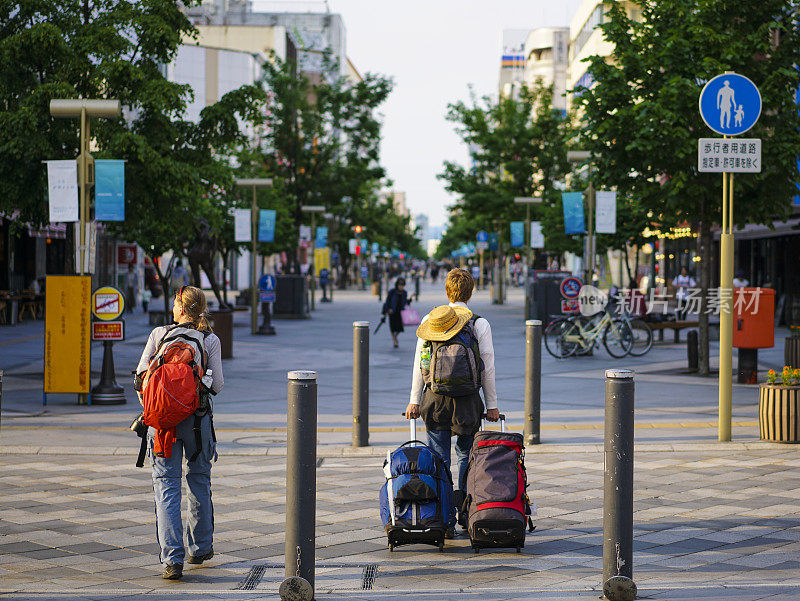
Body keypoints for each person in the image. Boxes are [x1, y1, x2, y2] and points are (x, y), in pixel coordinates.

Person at [135, 285, 223, 580]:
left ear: (181, 309)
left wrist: (158, 407)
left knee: (166, 485)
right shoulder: (210, 340)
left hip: (162, 426)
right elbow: (218, 386)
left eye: (175, 304)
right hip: (197, 422)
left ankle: (172, 560)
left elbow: (140, 379)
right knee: (199, 479)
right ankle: (200, 548)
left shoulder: (159, 335)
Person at [405, 268, 499, 537]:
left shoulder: (431, 320)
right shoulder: (479, 323)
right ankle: (466, 513)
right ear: (470, 292)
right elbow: (487, 368)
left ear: (447, 292)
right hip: (468, 402)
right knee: (466, 458)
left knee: (438, 458)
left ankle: (442, 517)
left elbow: (420, 363)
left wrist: (414, 400)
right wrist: (491, 404)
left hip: (434, 401)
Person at [383, 277, 411, 348]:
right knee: (392, 327)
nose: (401, 286)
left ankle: (395, 337)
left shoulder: (404, 293)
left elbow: (405, 302)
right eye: (400, 285)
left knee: (399, 328)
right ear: (397, 285)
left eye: (402, 285)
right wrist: (387, 310)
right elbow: (387, 301)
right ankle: (395, 340)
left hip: (400, 312)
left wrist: (411, 298)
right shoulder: (392, 291)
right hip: (392, 311)